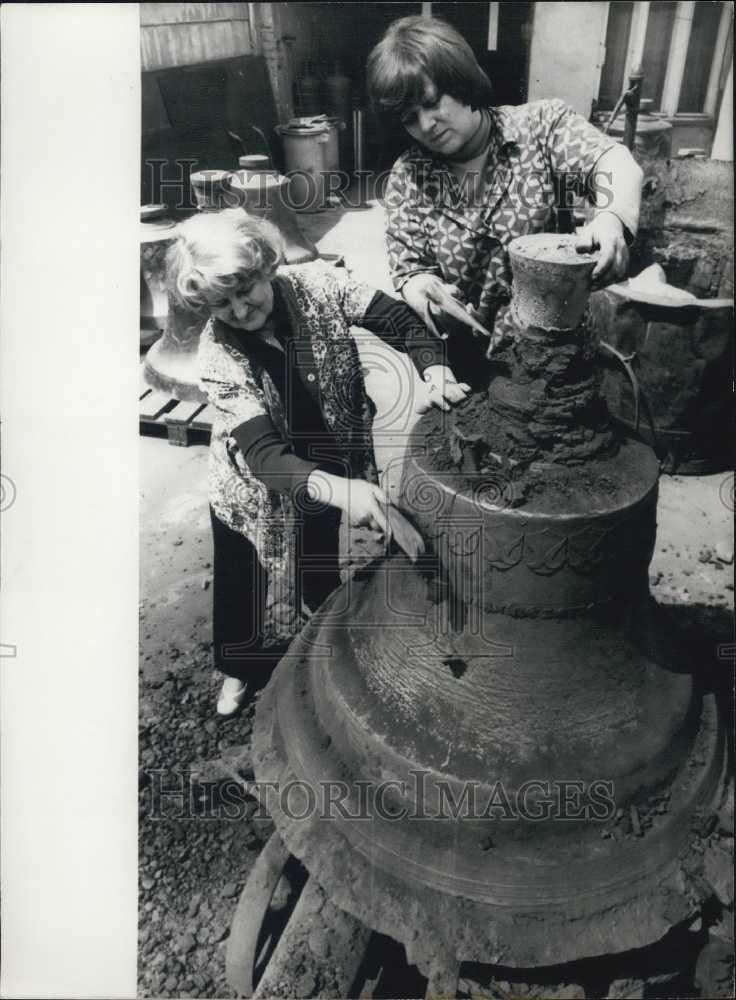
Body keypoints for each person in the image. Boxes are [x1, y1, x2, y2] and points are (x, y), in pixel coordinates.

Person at [166, 208, 468, 716]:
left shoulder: (318, 285)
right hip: (254, 488)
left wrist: (434, 369)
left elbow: (394, 318)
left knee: (316, 554)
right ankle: (239, 666)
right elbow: (263, 456)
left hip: (329, 454)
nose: (241, 310)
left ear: (266, 267)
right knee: (243, 574)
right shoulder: (218, 355)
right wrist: (340, 490)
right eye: (223, 304)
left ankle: (320, 626)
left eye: (247, 290)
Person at [367, 15, 644, 384]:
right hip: (474, 371)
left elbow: (616, 162)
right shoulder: (408, 177)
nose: (427, 124)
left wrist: (611, 218)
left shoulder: (542, 127)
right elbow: (410, 268)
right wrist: (426, 294)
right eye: (410, 118)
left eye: (432, 103)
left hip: (558, 362)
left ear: (459, 80)